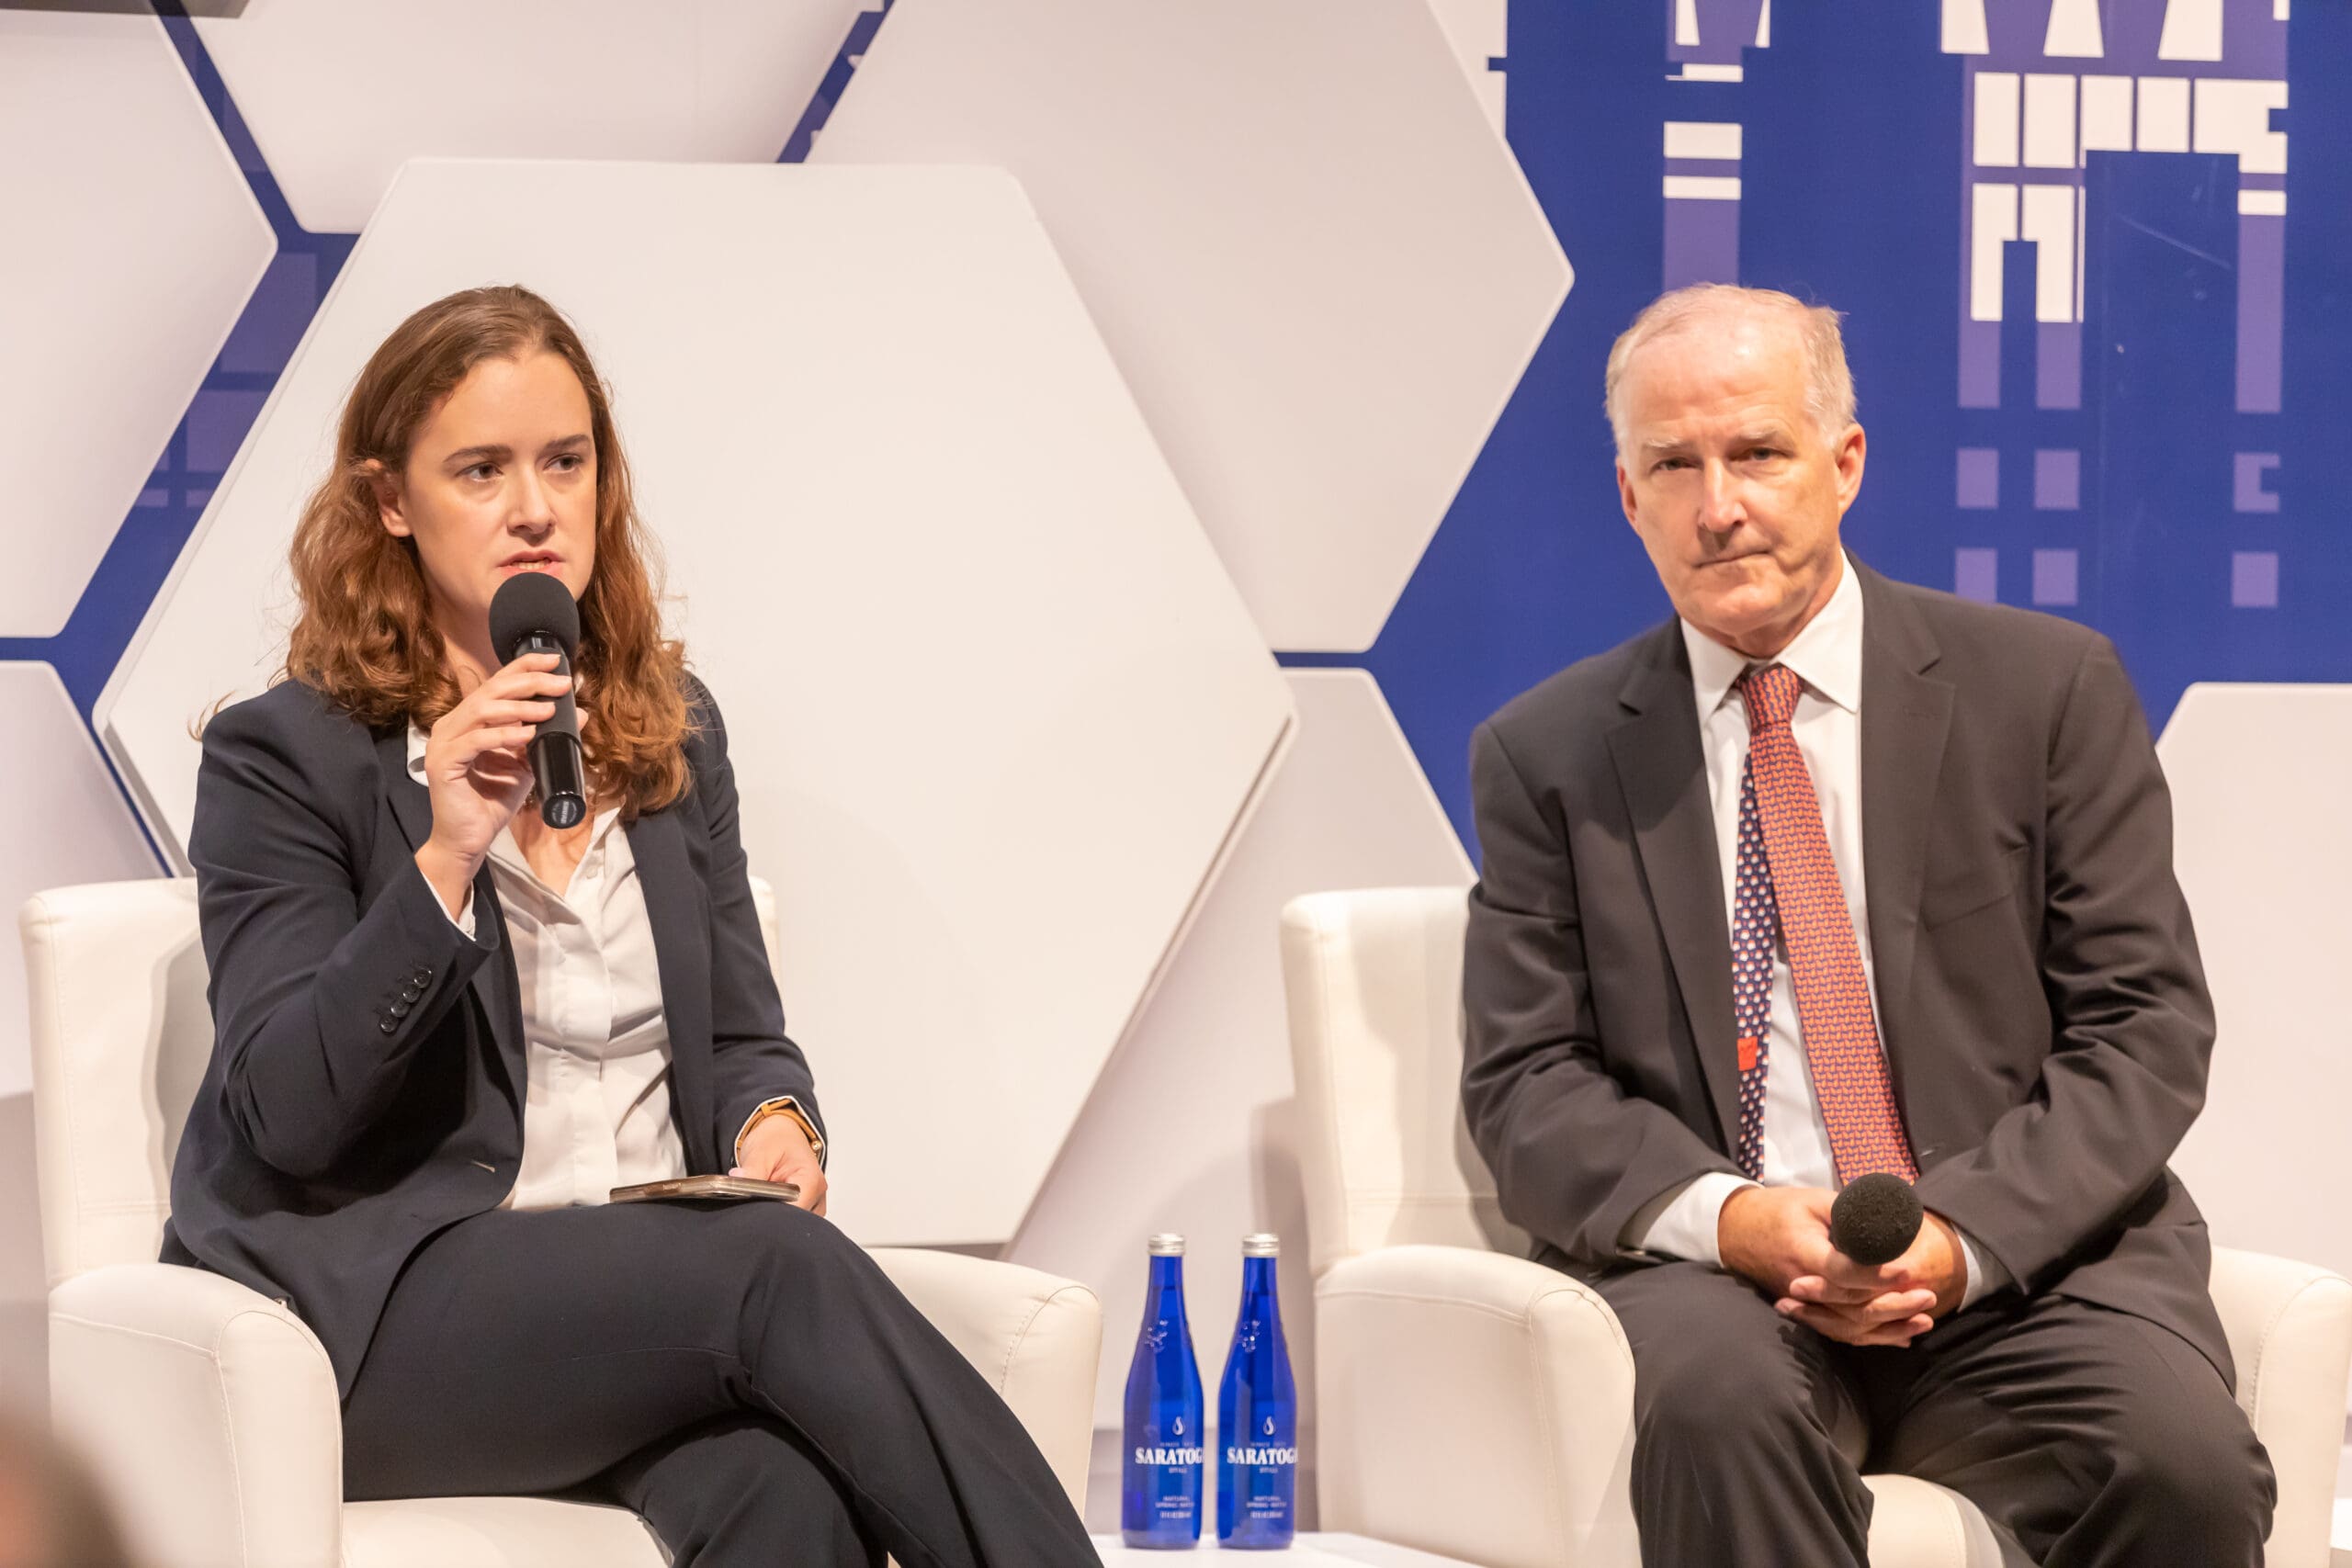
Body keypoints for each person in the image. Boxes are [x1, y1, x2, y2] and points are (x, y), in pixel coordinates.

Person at [162, 285, 1097, 1568]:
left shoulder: (671, 729)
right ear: (390, 502)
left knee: (791, 1498)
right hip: (376, 1323)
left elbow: (744, 1038)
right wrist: (446, 856)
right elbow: (285, 1111)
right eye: (481, 470)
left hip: (632, 1311)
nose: (536, 508)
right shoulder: (288, 755)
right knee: (771, 1268)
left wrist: (775, 1122)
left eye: (566, 461)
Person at [1460, 284, 2274, 1566]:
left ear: (1843, 464)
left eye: (1757, 453)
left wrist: (1956, 1239)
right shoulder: (1546, 755)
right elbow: (1526, 1084)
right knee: (1720, 1417)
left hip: (2020, 1268)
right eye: (1673, 466)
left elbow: (2142, 1027)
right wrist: (1733, 1219)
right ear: (1628, 497)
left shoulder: (2044, 692)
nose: (1718, 506)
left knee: (2182, 1464)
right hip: (1724, 1285)